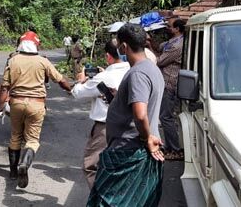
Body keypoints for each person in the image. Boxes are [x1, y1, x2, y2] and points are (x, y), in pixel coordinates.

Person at [87, 23, 165, 207]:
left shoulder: (138, 73)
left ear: (123, 47)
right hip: (132, 150)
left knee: (109, 202)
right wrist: (118, 98)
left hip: (128, 151)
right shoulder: (152, 68)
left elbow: (140, 114)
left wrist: (147, 139)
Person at [0, 31, 72, 188]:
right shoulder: (43, 61)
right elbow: (60, 79)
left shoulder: (12, 60)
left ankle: (12, 172)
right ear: (36, 45)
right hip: (36, 104)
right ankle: (24, 163)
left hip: (16, 102)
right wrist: (71, 89)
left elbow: (4, 87)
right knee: (32, 140)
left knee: (15, 136)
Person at [71, 39, 130, 189]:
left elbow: (77, 93)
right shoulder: (133, 70)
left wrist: (80, 80)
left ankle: (101, 199)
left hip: (105, 127)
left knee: (91, 165)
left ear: (108, 56)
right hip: (130, 127)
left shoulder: (103, 78)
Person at [157, 17, 185, 160]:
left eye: (169, 26)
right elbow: (162, 47)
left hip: (170, 83)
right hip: (168, 82)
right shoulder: (174, 42)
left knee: (166, 117)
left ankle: (174, 149)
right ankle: (170, 147)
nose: (167, 28)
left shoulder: (177, 46)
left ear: (177, 29)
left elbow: (160, 61)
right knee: (166, 116)